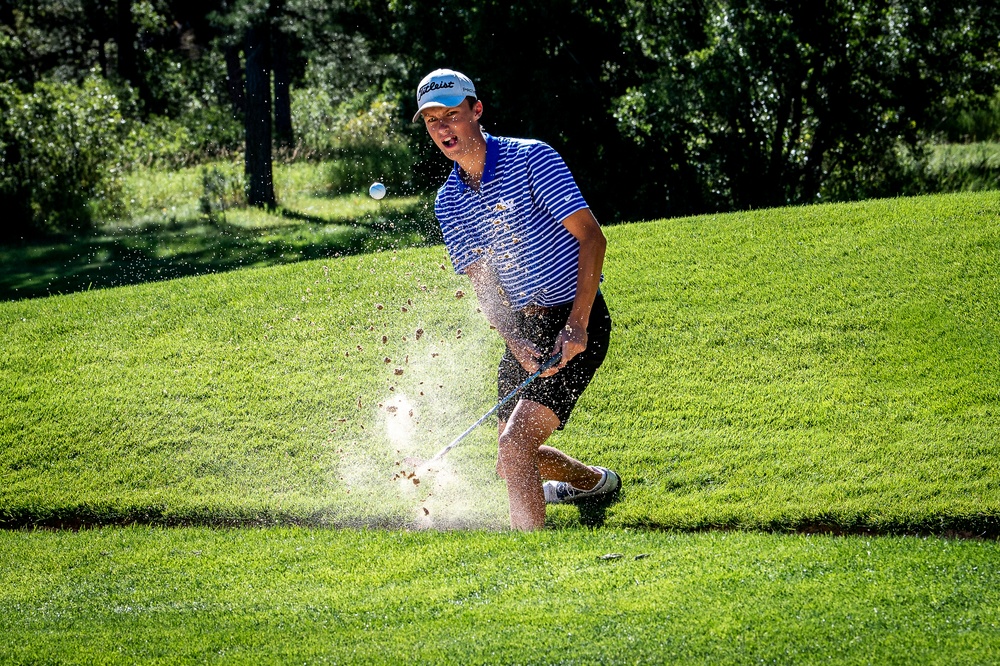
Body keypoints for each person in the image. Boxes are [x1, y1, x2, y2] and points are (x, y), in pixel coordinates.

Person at [412, 68, 621, 530]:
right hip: (526, 330)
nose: (444, 128)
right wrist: (513, 339)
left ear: (477, 110)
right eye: (432, 121)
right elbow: (484, 285)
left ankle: (530, 560)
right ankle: (595, 483)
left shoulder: (533, 160)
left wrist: (578, 324)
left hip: (576, 317)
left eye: (452, 115)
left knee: (514, 445)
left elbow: (592, 239)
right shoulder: (449, 202)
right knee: (510, 461)